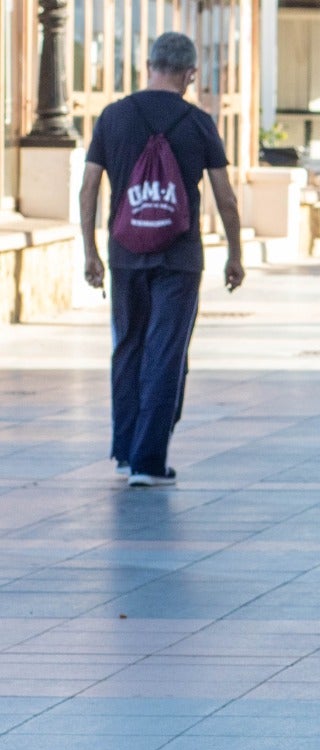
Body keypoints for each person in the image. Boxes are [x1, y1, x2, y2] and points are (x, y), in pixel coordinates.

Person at [78, 32, 244, 489]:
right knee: (166, 351)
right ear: (190, 73)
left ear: (147, 63)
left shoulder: (113, 117)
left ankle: (127, 453)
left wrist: (91, 250)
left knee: (128, 346)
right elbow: (226, 199)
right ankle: (150, 460)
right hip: (180, 255)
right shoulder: (198, 122)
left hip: (126, 252)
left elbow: (89, 187)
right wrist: (235, 253)